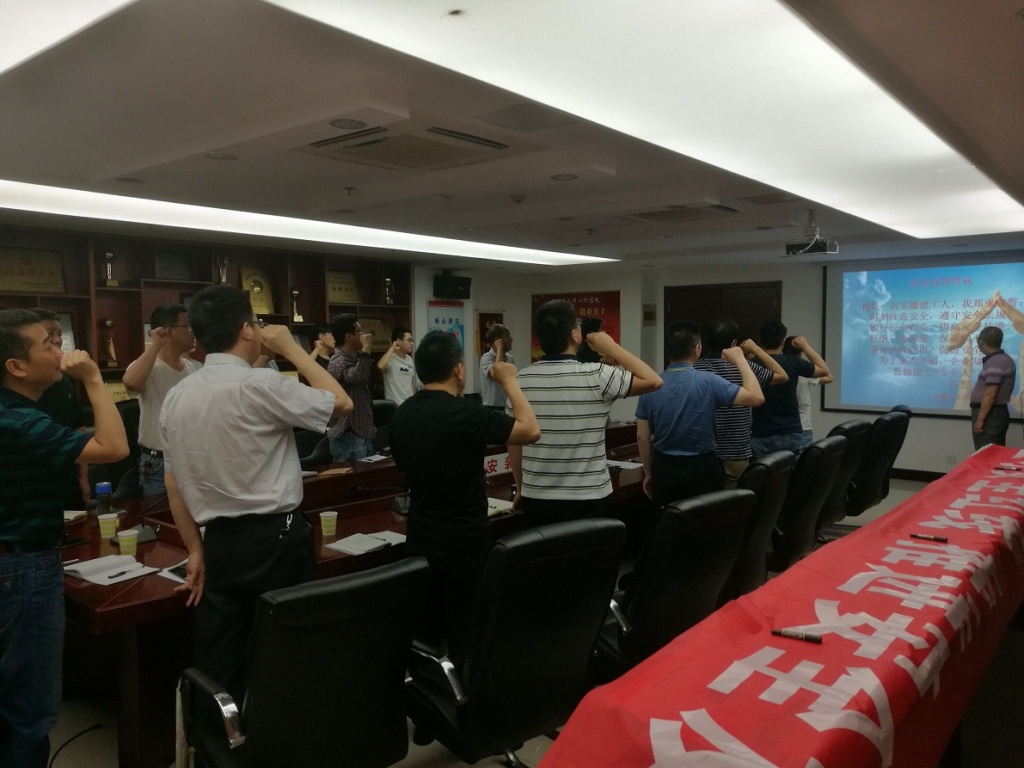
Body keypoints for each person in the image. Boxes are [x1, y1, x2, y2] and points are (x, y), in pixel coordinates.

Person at [160, 285, 351, 701]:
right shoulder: (261, 383)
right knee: (288, 651)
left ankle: (221, 734)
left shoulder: (176, 397)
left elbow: (173, 482)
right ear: (247, 330)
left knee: (223, 658)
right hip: (276, 539)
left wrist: (194, 548)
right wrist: (293, 349)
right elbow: (341, 403)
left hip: (220, 542)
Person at [0, 309, 128, 768]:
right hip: (22, 568)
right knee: (28, 710)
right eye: (49, 345)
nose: (61, 352)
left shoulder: (18, 412)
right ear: (16, 366)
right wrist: (93, 379)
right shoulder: (18, 420)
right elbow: (115, 448)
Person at [391, 330, 539, 660]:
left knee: (426, 629)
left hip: (420, 535)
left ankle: (428, 685)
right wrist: (510, 381)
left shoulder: (402, 414)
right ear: (459, 370)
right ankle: (466, 686)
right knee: (467, 627)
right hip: (464, 538)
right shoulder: (467, 413)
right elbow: (530, 429)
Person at [509, 299, 662, 527]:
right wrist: (611, 347)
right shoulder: (597, 375)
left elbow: (514, 442)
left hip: (537, 497)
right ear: (574, 335)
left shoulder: (519, 380)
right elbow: (654, 380)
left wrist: (521, 487)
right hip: (588, 496)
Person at [636, 320, 765, 507]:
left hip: (665, 468)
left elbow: (642, 436)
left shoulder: (651, 385)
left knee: (668, 520)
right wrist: (740, 360)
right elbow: (756, 397)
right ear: (697, 349)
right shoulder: (709, 381)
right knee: (706, 520)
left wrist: (649, 473)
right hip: (702, 468)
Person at [694, 318, 788, 487]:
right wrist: (756, 350)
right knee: (734, 499)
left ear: (705, 342)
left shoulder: (695, 369)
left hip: (704, 453)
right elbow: (782, 376)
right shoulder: (746, 369)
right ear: (734, 343)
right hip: (737, 451)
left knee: (705, 499)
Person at [122, 303, 201, 496]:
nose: (193, 332)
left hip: (189, 459)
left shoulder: (190, 367)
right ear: (168, 331)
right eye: (188, 326)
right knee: (160, 513)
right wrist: (156, 344)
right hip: (158, 462)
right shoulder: (150, 366)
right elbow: (131, 382)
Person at [31, 308, 92, 509]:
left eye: (59, 333)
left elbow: (79, 428)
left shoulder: (63, 378)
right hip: (34, 482)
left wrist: (83, 476)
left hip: (68, 476)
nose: (57, 340)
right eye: (49, 335)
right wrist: (93, 379)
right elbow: (114, 448)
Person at [751, 321, 830, 457]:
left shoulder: (751, 364)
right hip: (790, 433)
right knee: (792, 469)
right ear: (783, 342)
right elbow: (824, 370)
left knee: (762, 470)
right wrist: (805, 346)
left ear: (760, 340)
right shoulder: (792, 362)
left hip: (761, 434)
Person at [326, 313, 376, 461]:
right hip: (348, 436)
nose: (364, 335)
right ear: (348, 336)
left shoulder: (353, 358)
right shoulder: (338, 361)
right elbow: (358, 377)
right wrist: (366, 348)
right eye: (359, 331)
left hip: (362, 432)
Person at [969, 326, 1016, 449]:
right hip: (995, 413)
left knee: (986, 453)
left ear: (981, 342)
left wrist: (980, 419)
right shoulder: (1004, 359)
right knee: (993, 452)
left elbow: (990, 393)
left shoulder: (996, 362)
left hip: (990, 415)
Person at [783, 335, 834, 446]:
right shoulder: (804, 369)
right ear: (801, 352)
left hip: (781, 426)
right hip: (802, 425)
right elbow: (828, 376)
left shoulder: (778, 367)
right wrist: (806, 347)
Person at [377, 327, 416, 405]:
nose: (411, 343)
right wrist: (392, 348)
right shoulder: (389, 357)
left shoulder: (410, 359)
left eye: (412, 340)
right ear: (398, 341)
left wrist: (414, 399)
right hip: (394, 404)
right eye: (409, 340)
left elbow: (411, 382)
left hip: (409, 404)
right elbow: (381, 366)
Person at [479, 323, 514, 410]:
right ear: (498, 340)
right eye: (508, 336)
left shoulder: (510, 358)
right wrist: (499, 348)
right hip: (493, 408)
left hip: (508, 406)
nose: (511, 339)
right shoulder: (486, 358)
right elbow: (498, 373)